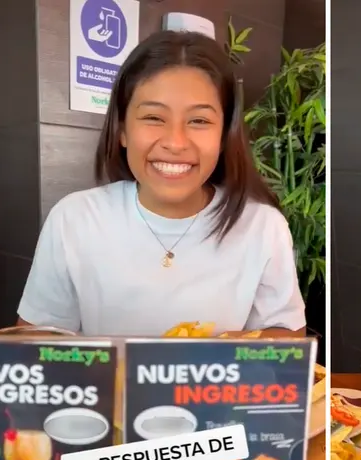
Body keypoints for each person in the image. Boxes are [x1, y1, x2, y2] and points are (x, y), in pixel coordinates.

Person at [16, 31, 306, 337]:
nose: (175, 142)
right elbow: (38, 340)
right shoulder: (74, 219)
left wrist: (234, 348)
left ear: (224, 137)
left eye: (199, 121)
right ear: (122, 130)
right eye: (153, 117)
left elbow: (287, 334)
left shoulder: (264, 227)